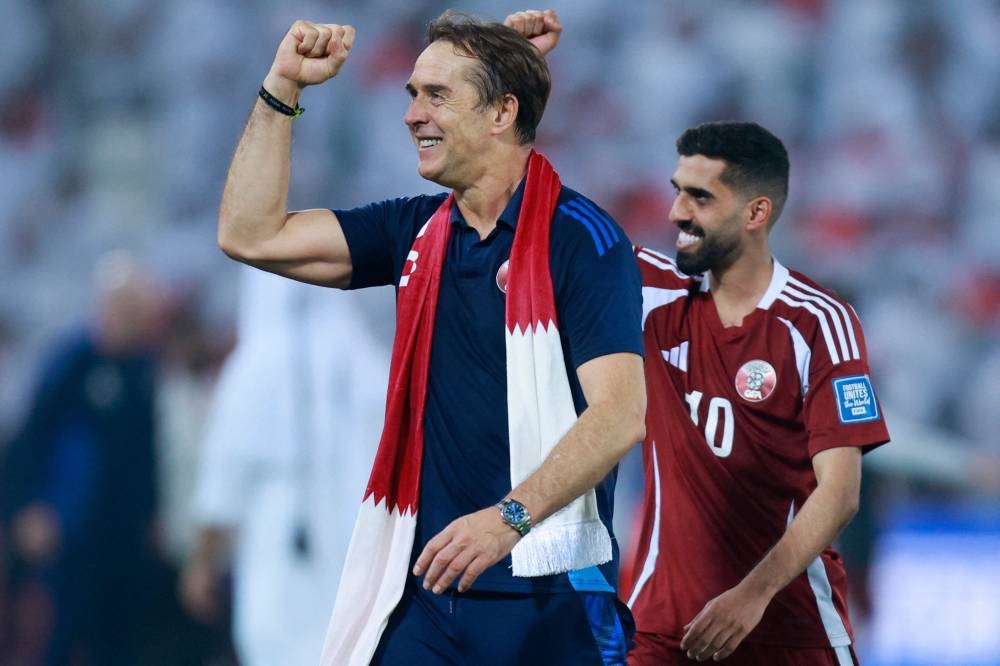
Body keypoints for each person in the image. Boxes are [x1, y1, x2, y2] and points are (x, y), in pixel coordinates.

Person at [216, 8, 646, 666]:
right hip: (426, 594)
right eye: (413, 93)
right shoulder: (412, 232)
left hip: (552, 597)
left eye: (436, 95)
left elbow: (619, 416)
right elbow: (250, 234)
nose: (413, 113)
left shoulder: (582, 241)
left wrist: (508, 517)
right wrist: (283, 89)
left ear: (501, 113)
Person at [624, 122, 891, 665]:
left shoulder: (818, 322)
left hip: (787, 632)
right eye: (677, 190)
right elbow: (542, 219)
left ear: (755, 213)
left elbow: (840, 493)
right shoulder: (651, 291)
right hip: (660, 634)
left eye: (699, 197)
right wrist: (524, 82)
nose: (676, 212)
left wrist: (753, 595)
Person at [179, 267, 389, 666]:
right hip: (355, 532)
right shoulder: (366, 360)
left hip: (275, 540)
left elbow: (222, 483)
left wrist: (202, 561)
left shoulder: (252, 367)